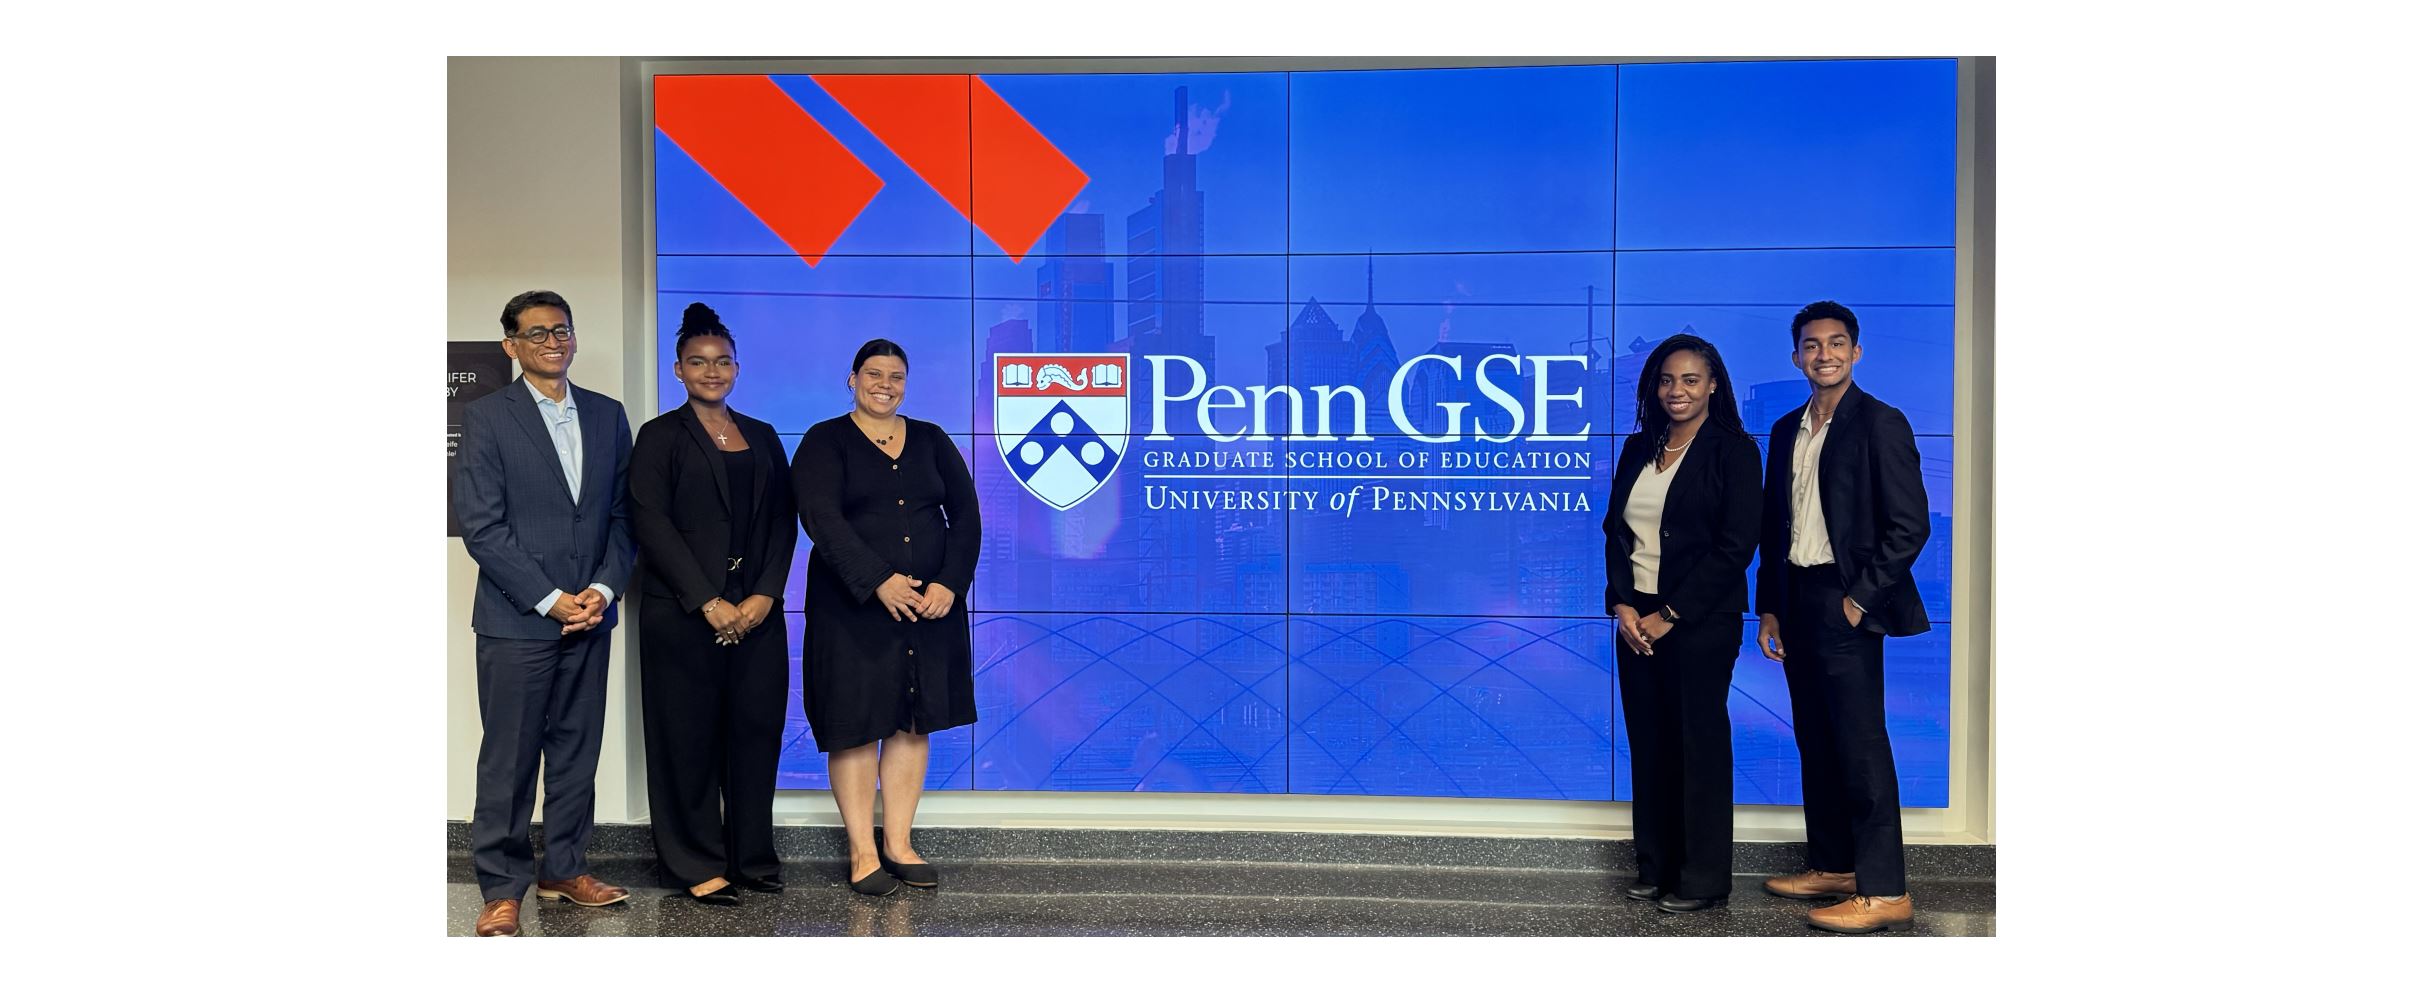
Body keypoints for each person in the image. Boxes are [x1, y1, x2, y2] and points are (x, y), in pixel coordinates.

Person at [453, 290, 636, 936]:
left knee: (575, 753)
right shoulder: (486, 418)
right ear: (510, 346)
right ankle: (502, 887)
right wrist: (551, 599)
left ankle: (564, 868)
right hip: (517, 621)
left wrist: (603, 591)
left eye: (561, 330)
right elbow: (482, 527)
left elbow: (622, 519)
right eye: (536, 334)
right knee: (509, 758)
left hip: (591, 616)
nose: (552, 342)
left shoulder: (609, 416)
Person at [1753, 300, 1933, 934]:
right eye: (1810, 344)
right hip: (1796, 598)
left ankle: (1885, 889)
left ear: (1856, 352)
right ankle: (1834, 865)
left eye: (1835, 343)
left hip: (1845, 599)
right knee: (1816, 739)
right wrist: (1769, 606)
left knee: (1860, 745)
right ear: (1796, 355)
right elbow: (1775, 527)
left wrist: (1860, 597)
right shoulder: (1783, 430)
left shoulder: (1881, 423)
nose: (1822, 354)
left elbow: (1910, 526)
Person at [791, 339, 980, 896]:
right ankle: (862, 852)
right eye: (874, 374)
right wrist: (878, 580)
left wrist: (949, 584)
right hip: (851, 611)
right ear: (851, 379)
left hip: (930, 609)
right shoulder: (825, 441)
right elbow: (820, 518)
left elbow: (966, 516)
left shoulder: (932, 439)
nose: (885, 384)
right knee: (855, 724)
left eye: (896, 375)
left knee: (910, 720)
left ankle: (898, 844)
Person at [628, 303, 798, 906]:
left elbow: (784, 521)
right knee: (687, 741)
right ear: (678, 370)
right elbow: (650, 522)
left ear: (737, 367)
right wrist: (706, 600)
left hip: (757, 614)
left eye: (722, 361)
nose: (712, 371)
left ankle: (750, 856)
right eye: (698, 363)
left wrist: (762, 595)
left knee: (755, 735)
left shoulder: (764, 435)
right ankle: (694, 862)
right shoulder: (659, 436)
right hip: (682, 615)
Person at [1603, 334, 1762, 914]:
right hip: (1633, 619)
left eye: (1691, 380)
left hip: (1698, 621)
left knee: (1698, 745)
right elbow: (1615, 531)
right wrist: (1621, 603)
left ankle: (1701, 877)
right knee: (1650, 744)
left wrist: (1670, 613)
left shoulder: (1734, 451)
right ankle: (1656, 866)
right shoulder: (1638, 447)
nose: (1678, 391)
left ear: (1713, 385)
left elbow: (1735, 547)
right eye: (1668, 380)